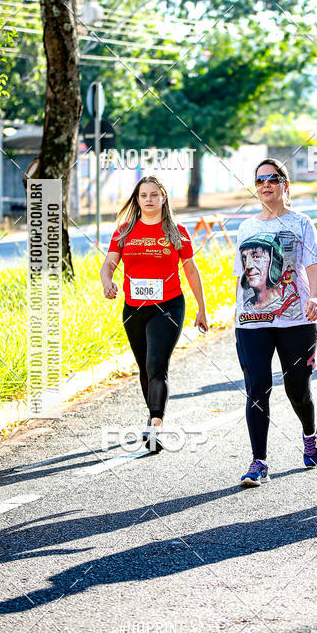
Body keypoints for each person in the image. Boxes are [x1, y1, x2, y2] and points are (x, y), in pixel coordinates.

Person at [234, 158, 317, 487]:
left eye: (273, 179)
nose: (265, 185)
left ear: (285, 185)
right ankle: (258, 461)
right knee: (257, 388)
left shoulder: (301, 223)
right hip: (252, 323)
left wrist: (314, 296)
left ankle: (310, 433)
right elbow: (241, 277)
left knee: (297, 390)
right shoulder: (247, 227)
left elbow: (314, 263)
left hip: (296, 320)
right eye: (259, 180)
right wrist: (234, 315)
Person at [100, 176, 208, 453]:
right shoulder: (124, 231)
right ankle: (152, 415)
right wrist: (107, 282)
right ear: (137, 200)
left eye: (154, 195)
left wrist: (202, 309)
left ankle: (155, 424)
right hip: (134, 309)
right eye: (143, 195)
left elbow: (191, 270)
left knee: (157, 363)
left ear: (163, 198)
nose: (149, 199)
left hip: (169, 306)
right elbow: (109, 264)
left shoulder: (177, 231)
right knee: (145, 368)